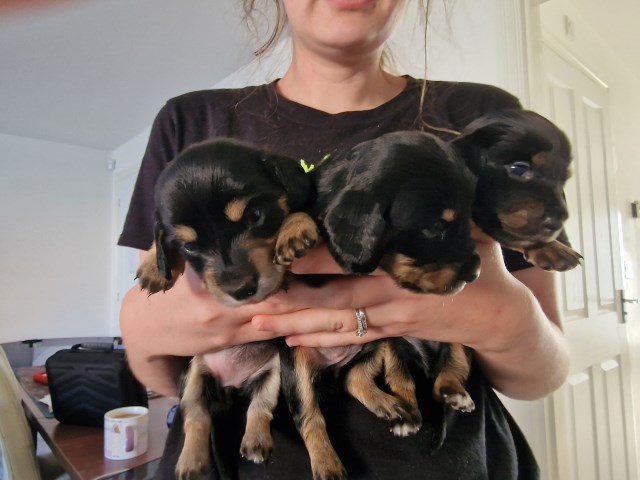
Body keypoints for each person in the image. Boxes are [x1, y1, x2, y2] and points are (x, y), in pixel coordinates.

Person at [118, 0, 570, 478]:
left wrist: (495, 311)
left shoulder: (484, 117)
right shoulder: (190, 121)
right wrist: (151, 325)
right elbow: (154, 361)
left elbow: (543, 374)